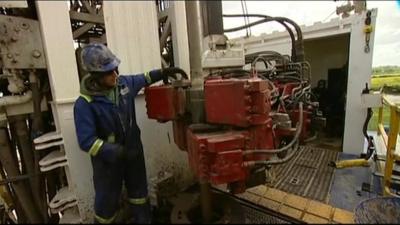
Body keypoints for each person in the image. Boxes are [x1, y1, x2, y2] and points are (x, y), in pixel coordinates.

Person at [73, 43, 181, 224]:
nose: (115, 75)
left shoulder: (124, 84)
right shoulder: (84, 103)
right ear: (96, 76)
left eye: (116, 69)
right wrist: (113, 151)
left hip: (133, 153)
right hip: (107, 164)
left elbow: (144, 78)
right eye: (109, 72)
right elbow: (86, 141)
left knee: (140, 194)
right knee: (106, 205)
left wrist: (163, 73)